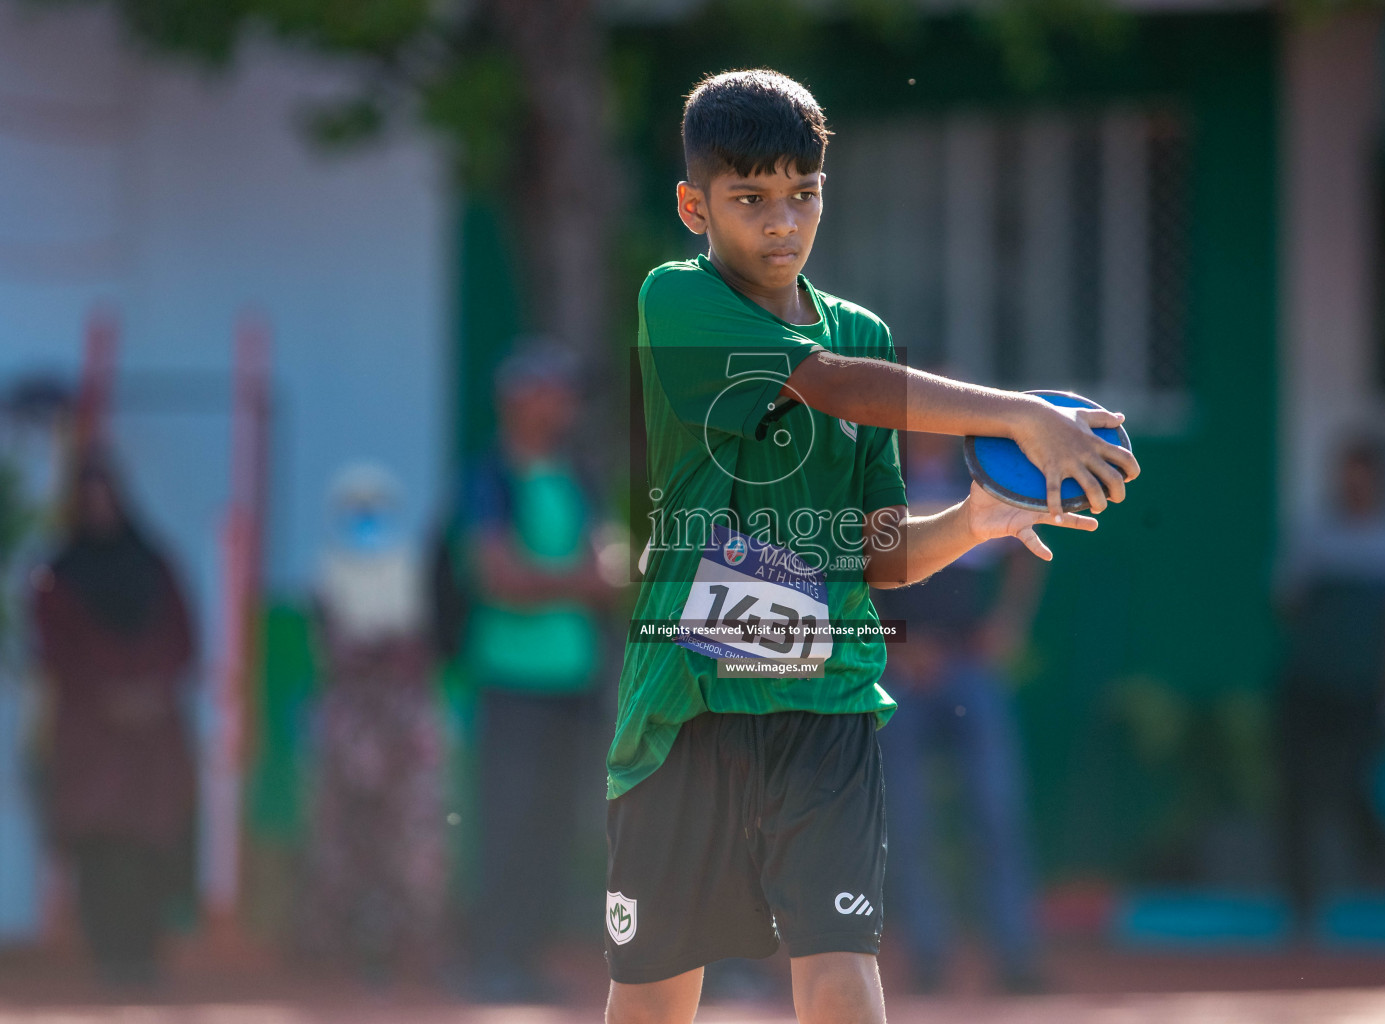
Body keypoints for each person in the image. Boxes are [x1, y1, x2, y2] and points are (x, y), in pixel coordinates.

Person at [605, 70, 1137, 1024]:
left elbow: (881, 552)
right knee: (653, 1000)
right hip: (691, 705)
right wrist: (1015, 410)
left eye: (802, 195)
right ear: (695, 206)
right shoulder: (677, 299)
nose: (782, 222)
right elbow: (835, 386)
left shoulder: (865, 330)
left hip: (829, 697)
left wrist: (978, 519)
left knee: (843, 978)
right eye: (751, 198)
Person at [456, 344, 614, 1002]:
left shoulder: (578, 473)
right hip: (511, 681)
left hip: (573, 682)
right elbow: (495, 576)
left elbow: (609, 567)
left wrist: (574, 581)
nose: (566, 406)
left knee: (553, 825)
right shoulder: (489, 476)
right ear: (518, 399)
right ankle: (491, 957)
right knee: (508, 822)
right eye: (554, 391)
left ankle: (529, 959)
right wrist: (577, 580)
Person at [873, 430, 1047, 994]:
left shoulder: (981, 482)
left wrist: (1009, 625)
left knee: (996, 813)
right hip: (900, 673)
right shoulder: (877, 483)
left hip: (972, 669)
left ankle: (1015, 958)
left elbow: (1027, 551)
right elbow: (848, 574)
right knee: (909, 819)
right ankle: (927, 960)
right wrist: (897, 646)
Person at [30, 449, 196, 988]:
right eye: (88, 498)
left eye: (107, 496)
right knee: (101, 850)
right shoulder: (58, 574)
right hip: (93, 740)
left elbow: (183, 636)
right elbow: (55, 651)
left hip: (151, 740)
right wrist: (111, 693)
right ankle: (110, 958)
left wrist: (150, 688)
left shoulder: (154, 563)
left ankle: (145, 956)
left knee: (150, 846)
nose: (99, 508)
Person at [300, 462, 446, 981]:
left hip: (405, 724)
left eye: (375, 505)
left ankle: (410, 949)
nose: (366, 516)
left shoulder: (412, 570)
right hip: (350, 726)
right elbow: (335, 651)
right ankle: (351, 948)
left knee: (409, 838)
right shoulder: (326, 571)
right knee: (346, 838)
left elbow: (420, 650)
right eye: (354, 507)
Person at [1274, 438, 1385, 935]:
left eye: (1362, 474)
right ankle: (1302, 908)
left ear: (1379, 480)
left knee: (1358, 787)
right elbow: (1288, 602)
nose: (1352, 484)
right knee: (1298, 793)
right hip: (1307, 685)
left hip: (1364, 690)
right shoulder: (1313, 533)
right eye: (1346, 473)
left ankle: (1380, 891)